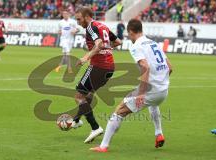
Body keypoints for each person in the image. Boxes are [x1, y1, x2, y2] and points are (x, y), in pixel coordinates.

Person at [90, 19, 173, 152]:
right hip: (163, 91)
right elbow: (170, 67)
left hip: (151, 91)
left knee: (119, 111)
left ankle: (103, 146)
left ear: (130, 32)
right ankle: (159, 134)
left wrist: (141, 93)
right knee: (153, 104)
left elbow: (145, 66)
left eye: (128, 34)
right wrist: (161, 82)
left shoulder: (136, 46)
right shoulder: (154, 43)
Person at [72, 7, 122, 143]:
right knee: (88, 95)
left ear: (87, 17)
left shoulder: (91, 27)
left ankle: (95, 127)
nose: (77, 23)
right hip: (110, 67)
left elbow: (98, 44)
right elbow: (118, 42)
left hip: (98, 67)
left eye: (79, 19)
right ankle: (76, 120)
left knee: (78, 96)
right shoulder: (102, 26)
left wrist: (86, 57)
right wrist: (108, 48)